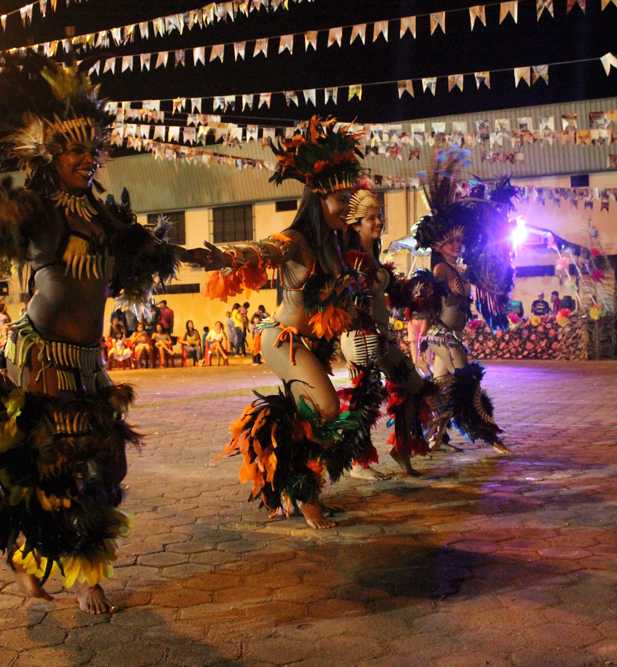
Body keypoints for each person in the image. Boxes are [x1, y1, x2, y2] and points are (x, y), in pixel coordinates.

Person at [0, 55, 185, 614]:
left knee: (108, 461)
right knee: (60, 459)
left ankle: (33, 561)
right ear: (51, 153)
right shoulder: (41, 211)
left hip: (87, 359)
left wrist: (232, 255)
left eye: (94, 149)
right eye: (76, 150)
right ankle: (81, 576)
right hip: (40, 353)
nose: (88, 159)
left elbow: (156, 255)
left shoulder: (103, 218)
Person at [193, 117, 370, 529]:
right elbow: (266, 249)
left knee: (315, 416)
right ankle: (305, 498)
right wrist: (229, 257)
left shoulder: (335, 246)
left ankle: (304, 491)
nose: (347, 207)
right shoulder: (298, 239)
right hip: (281, 339)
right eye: (339, 200)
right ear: (317, 199)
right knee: (326, 406)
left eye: (349, 199)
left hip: (309, 344)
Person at [414, 151, 512, 455]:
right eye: (451, 242)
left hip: (451, 334)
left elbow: (480, 286)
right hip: (442, 335)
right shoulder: (442, 269)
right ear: (438, 245)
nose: (458, 246)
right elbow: (427, 299)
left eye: (459, 242)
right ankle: (490, 436)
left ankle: (431, 439)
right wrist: (415, 340)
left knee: (442, 386)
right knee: (469, 383)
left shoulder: (456, 266)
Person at [340, 185, 437, 479]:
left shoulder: (373, 258)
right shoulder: (349, 261)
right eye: (370, 218)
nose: (378, 221)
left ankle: (401, 450)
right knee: (364, 396)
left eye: (379, 215)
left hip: (380, 337)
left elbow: (396, 292)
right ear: (355, 224)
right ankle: (358, 463)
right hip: (359, 336)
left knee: (413, 386)